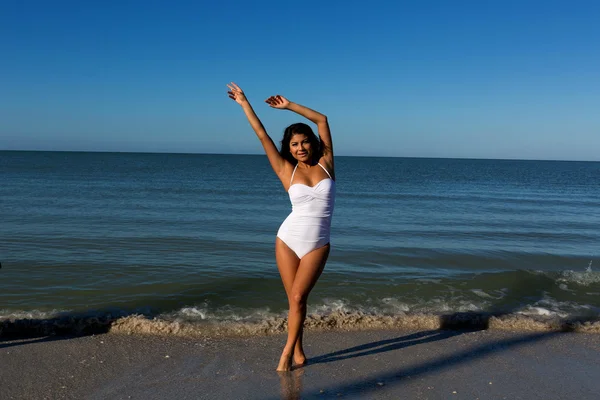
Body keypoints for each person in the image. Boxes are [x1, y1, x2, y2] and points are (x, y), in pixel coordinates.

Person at [227, 82, 335, 371]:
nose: (300, 148)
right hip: (287, 239)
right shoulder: (286, 170)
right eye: (294, 144)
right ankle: (298, 349)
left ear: (312, 142)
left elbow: (322, 119)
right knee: (294, 301)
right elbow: (262, 135)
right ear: (289, 149)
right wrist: (244, 103)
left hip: (318, 243)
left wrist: (289, 106)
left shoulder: (327, 163)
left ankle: (286, 353)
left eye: (304, 142)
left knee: (299, 297)